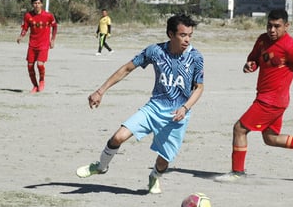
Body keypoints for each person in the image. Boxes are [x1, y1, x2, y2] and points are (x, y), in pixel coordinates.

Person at [77, 14, 204, 194]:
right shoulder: (155, 51)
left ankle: (154, 176)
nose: (187, 39)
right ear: (170, 34)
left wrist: (185, 108)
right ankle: (101, 166)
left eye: (190, 35)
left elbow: (199, 88)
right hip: (153, 108)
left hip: (177, 114)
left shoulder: (196, 57)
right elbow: (127, 68)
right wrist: (100, 90)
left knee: (163, 161)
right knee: (118, 137)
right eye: (183, 35)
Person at [215, 9, 293, 182]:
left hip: (271, 101)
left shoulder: (290, 47)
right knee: (270, 138)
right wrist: (250, 65)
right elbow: (254, 58)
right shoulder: (263, 40)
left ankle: (237, 173)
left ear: (286, 26)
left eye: (277, 26)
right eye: (269, 25)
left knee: (239, 129)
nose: (272, 30)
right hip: (269, 99)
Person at [17, 0, 57, 93]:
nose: (37, 5)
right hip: (32, 44)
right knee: (30, 66)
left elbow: (55, 27)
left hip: (43, 44)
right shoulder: (28, 16)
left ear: (42, 4)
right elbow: (25, 28)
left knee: (40, 64)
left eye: (39, 3)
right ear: (32, 4)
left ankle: (42, 80)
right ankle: (35, 86)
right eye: (35, 3)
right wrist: (21, 36)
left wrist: (52, 40)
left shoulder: (48, 16)